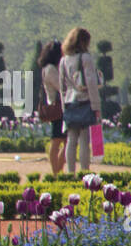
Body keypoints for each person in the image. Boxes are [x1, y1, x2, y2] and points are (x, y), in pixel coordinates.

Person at [58, 27, 101, 172]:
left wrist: (64, 107)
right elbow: (91, 83)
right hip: (84, 101)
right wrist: (96, 106)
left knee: (71, 140)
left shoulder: (64, 60)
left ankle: (70, 172)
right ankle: (84, 172)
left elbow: (62, 86)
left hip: (70, 102)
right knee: (84, 140)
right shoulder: (85, 58)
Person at [38, 40, 64, 174]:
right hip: (58, 109)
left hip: (58, 107)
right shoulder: (50, 69)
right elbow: (61, 87)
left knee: (64, 141)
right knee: (57, 141)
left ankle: (58, 171)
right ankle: (56, 172)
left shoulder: (50, 68)